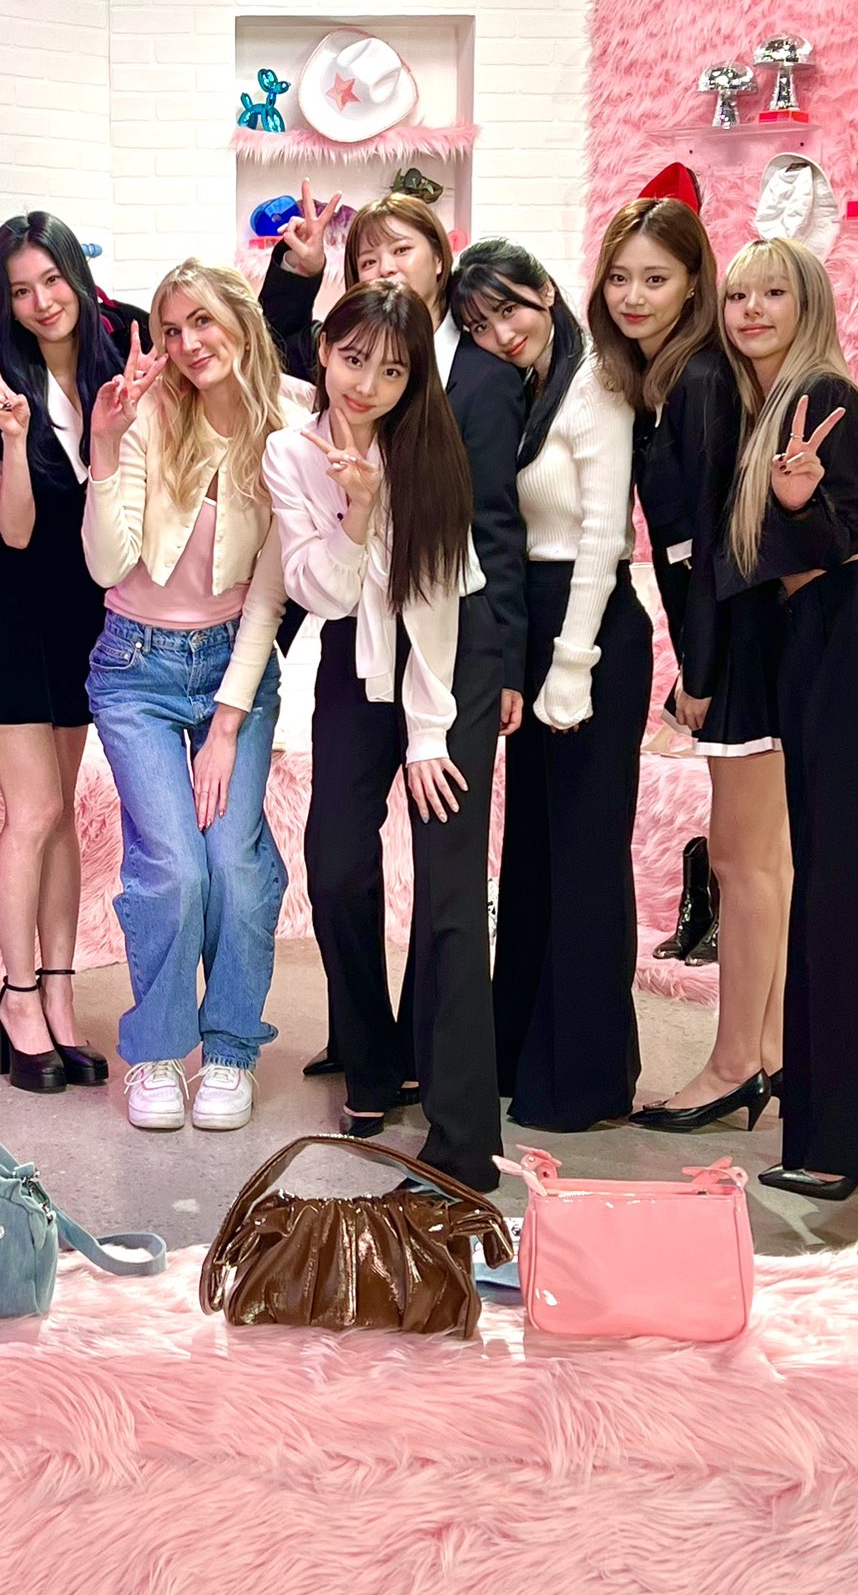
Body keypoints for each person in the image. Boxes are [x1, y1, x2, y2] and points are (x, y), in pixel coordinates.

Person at [260, 186, 526, 1078]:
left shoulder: (465, 396)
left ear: (440, 263)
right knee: (336, 858)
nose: (367, 384)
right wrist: (358, 516)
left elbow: (483, 545)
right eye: (367, 257)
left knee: (446, 874)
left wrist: (466, 696)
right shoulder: (300, 439)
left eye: (400, 252)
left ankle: (427, 1062)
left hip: (448, 642)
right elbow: (321, 588)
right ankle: (366, 1047)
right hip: (357, 646)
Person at [717, 234, 858, 1203]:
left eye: (773, 292)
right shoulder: (773, 410)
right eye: (738, 296)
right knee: (832, 892)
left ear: (810, 304)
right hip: (828, 650)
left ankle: (853, 1143)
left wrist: (798, 502)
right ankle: (828, 1130)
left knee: (853, 896)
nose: (751, 311)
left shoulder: (822, 399)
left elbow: (838, 538)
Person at [587, 196, 792, 1135]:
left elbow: (709, 547)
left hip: (745, 643)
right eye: (620, 277)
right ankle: (771, 1052)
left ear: (694, 284)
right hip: (735, 638)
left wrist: (698, 674)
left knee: (746, 863)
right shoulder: (670, 380)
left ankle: (734, 1065)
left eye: (656, 278)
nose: (634, 296)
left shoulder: (702, 378)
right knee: (760, 861)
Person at [82, 260, 296, 1133]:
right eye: (171, 329)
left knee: (235, 867)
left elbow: (271, 597)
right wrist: (104, 448)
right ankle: (161, 1051)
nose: (187, 343)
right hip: (135, 666)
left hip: (232, 669)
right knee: (172, 868)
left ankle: (232, 1049)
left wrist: (227, 726)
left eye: (202, 321)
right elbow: (106, 565)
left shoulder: (292, 424)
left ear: (240, 319)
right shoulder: (148, 413)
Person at [456, 238, 651, 1131]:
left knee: (583, 856)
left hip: (589, 629)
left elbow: (605, 535)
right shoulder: (529, 391)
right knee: (533, 854)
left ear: (545, 293)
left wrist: (573, 665)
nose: (501, 333)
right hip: (538, 628)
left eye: (510, 308)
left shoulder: (597, 382)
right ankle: (519, 1052)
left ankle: (582, 1080)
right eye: (479, 323)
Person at [0, 211, 146, 1093]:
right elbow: (18, 531)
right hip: (6, 609)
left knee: (61, 812)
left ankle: (61, 999)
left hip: (89, 610)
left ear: (78, 274)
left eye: (52, 280)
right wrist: (13, 435)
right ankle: (17, 998)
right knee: (30, 813)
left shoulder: (123, 353)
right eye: (20, 290)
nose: (40, 302)